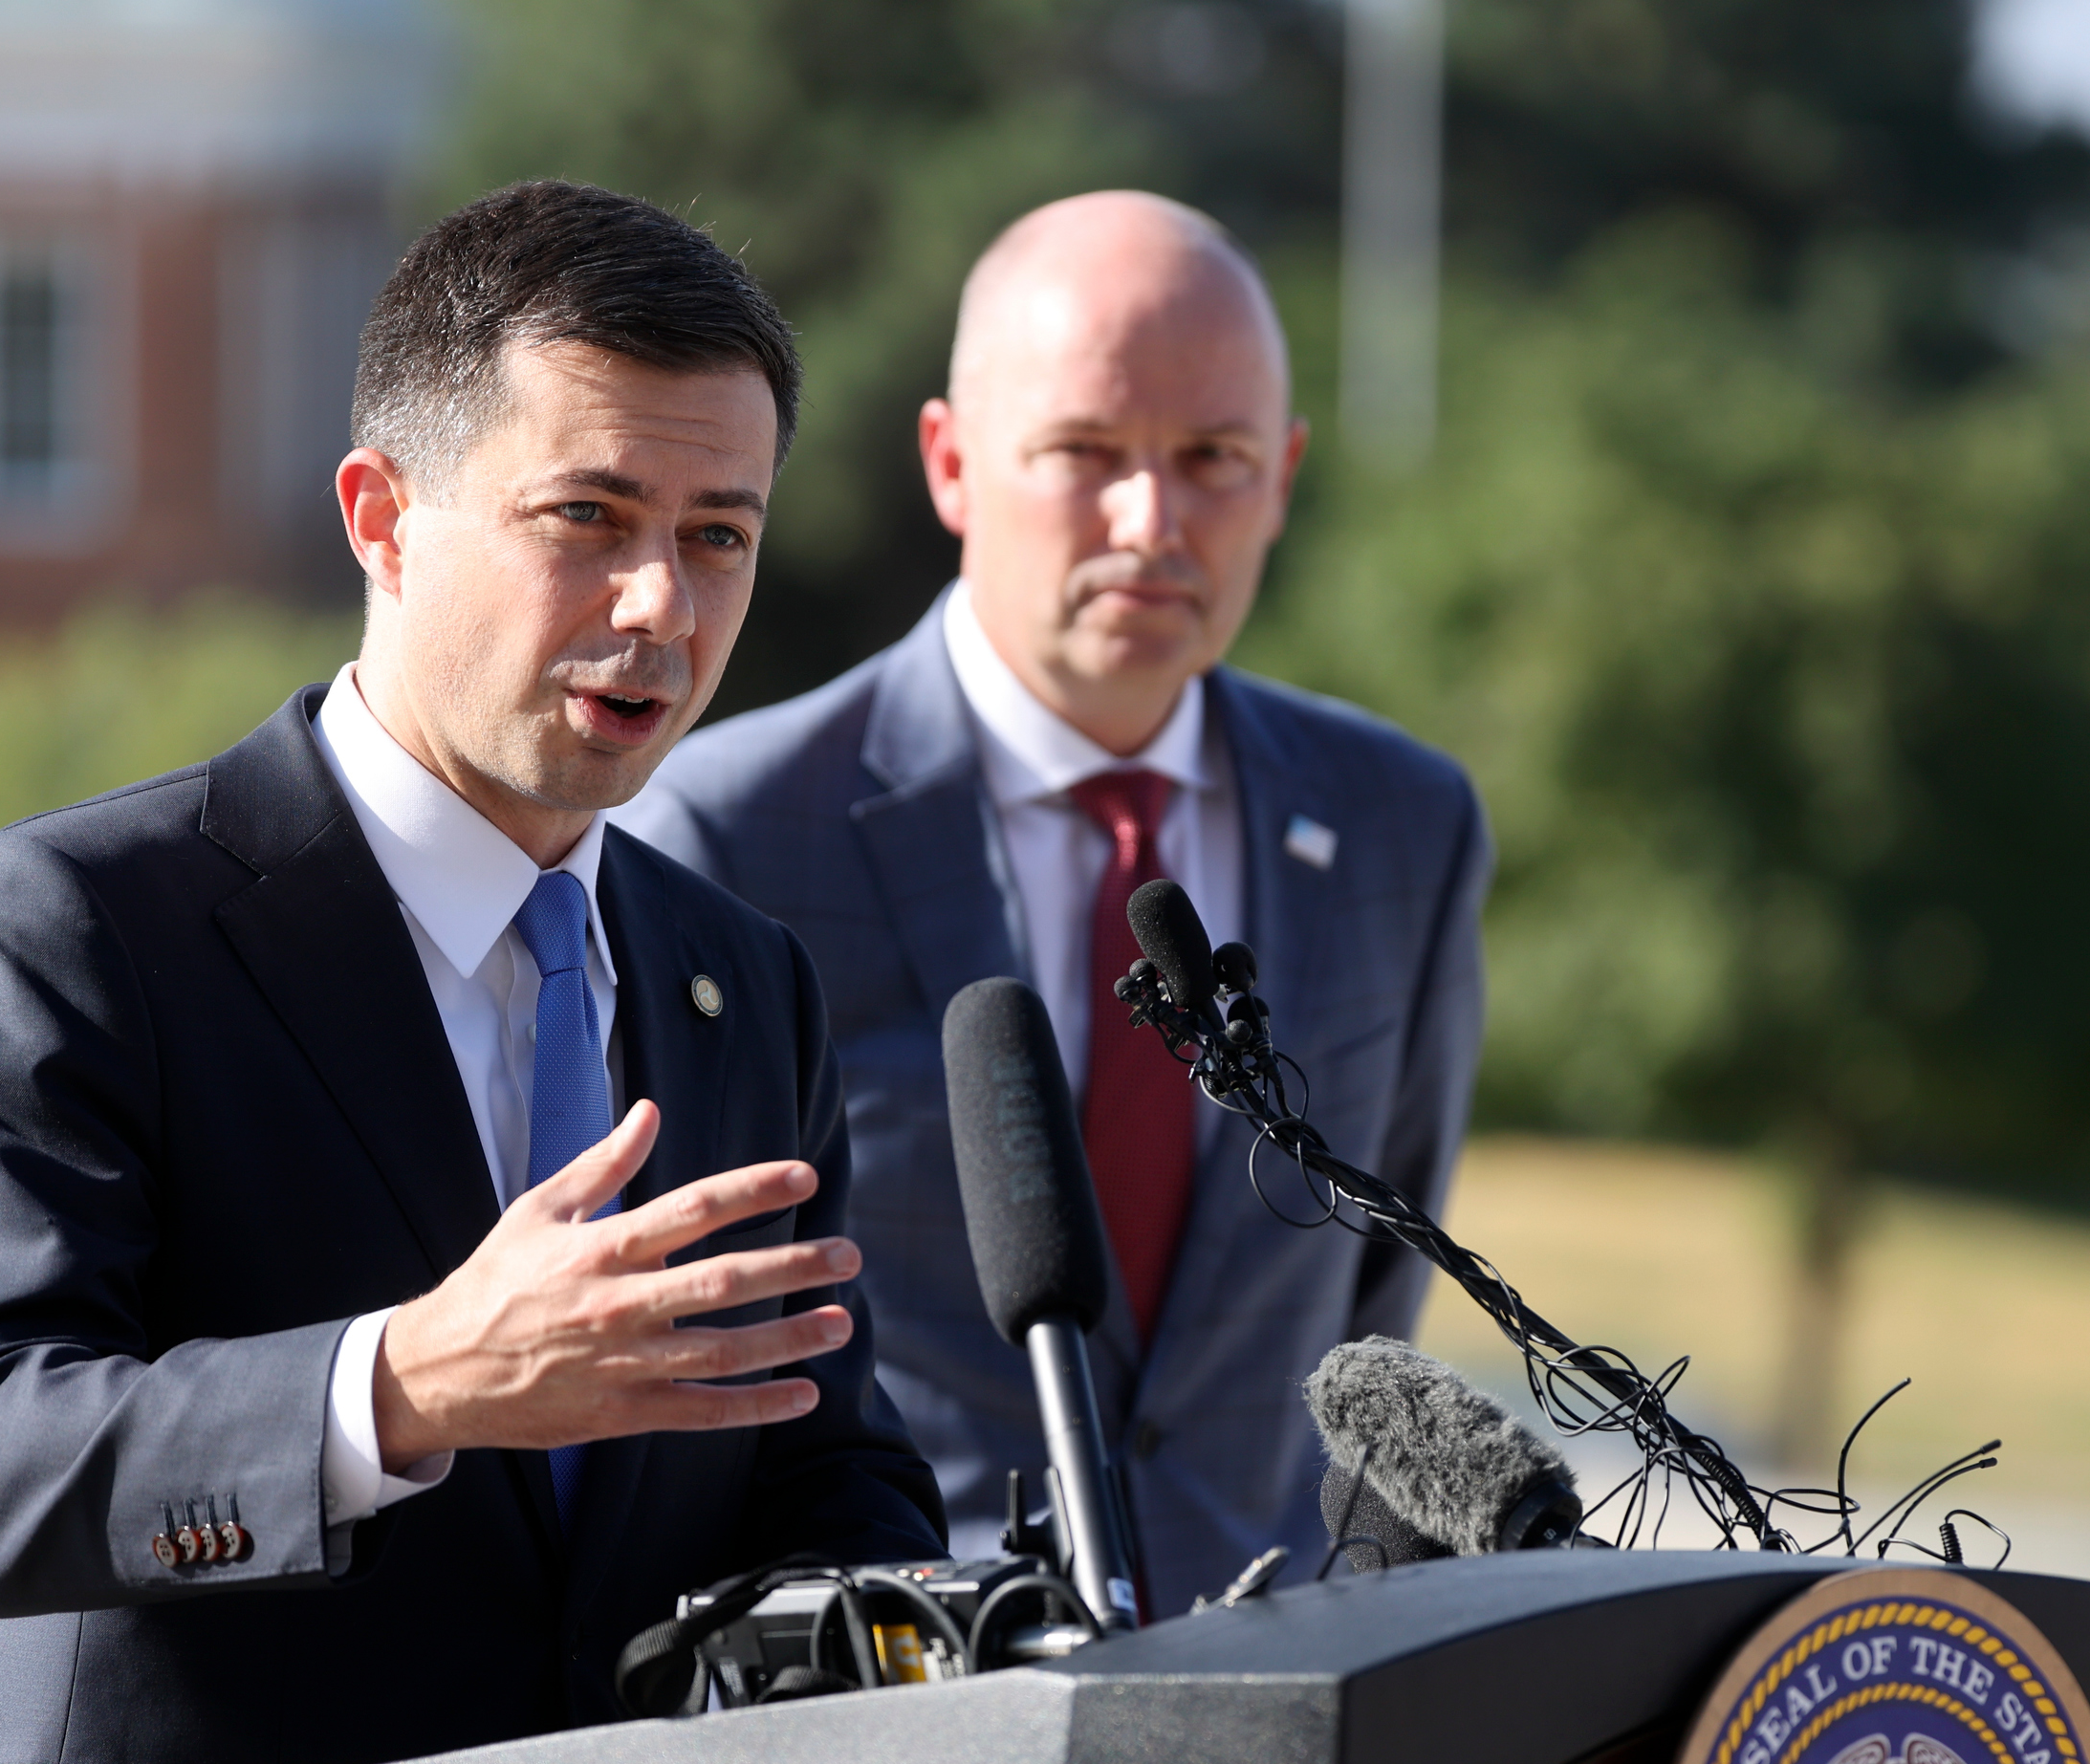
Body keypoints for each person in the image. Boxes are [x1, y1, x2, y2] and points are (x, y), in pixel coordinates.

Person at [0, 181, 945, 1764]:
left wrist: (928, 1613)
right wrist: (405, 1383)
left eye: (720, 533)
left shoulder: (742, 979)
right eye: (587, 515)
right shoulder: (71, 922)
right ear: (381, 515)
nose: (661, 601)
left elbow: (810, 1451)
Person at [616, 191, 1490, 1607]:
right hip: (899, 1706)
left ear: (1285, 475)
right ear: (951, 463)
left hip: (1268, 1695)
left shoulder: (1403, 825)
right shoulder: (723, 834)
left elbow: (1373, 1304)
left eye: (1215, 457)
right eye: (1086, 452)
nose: (1152, 521)